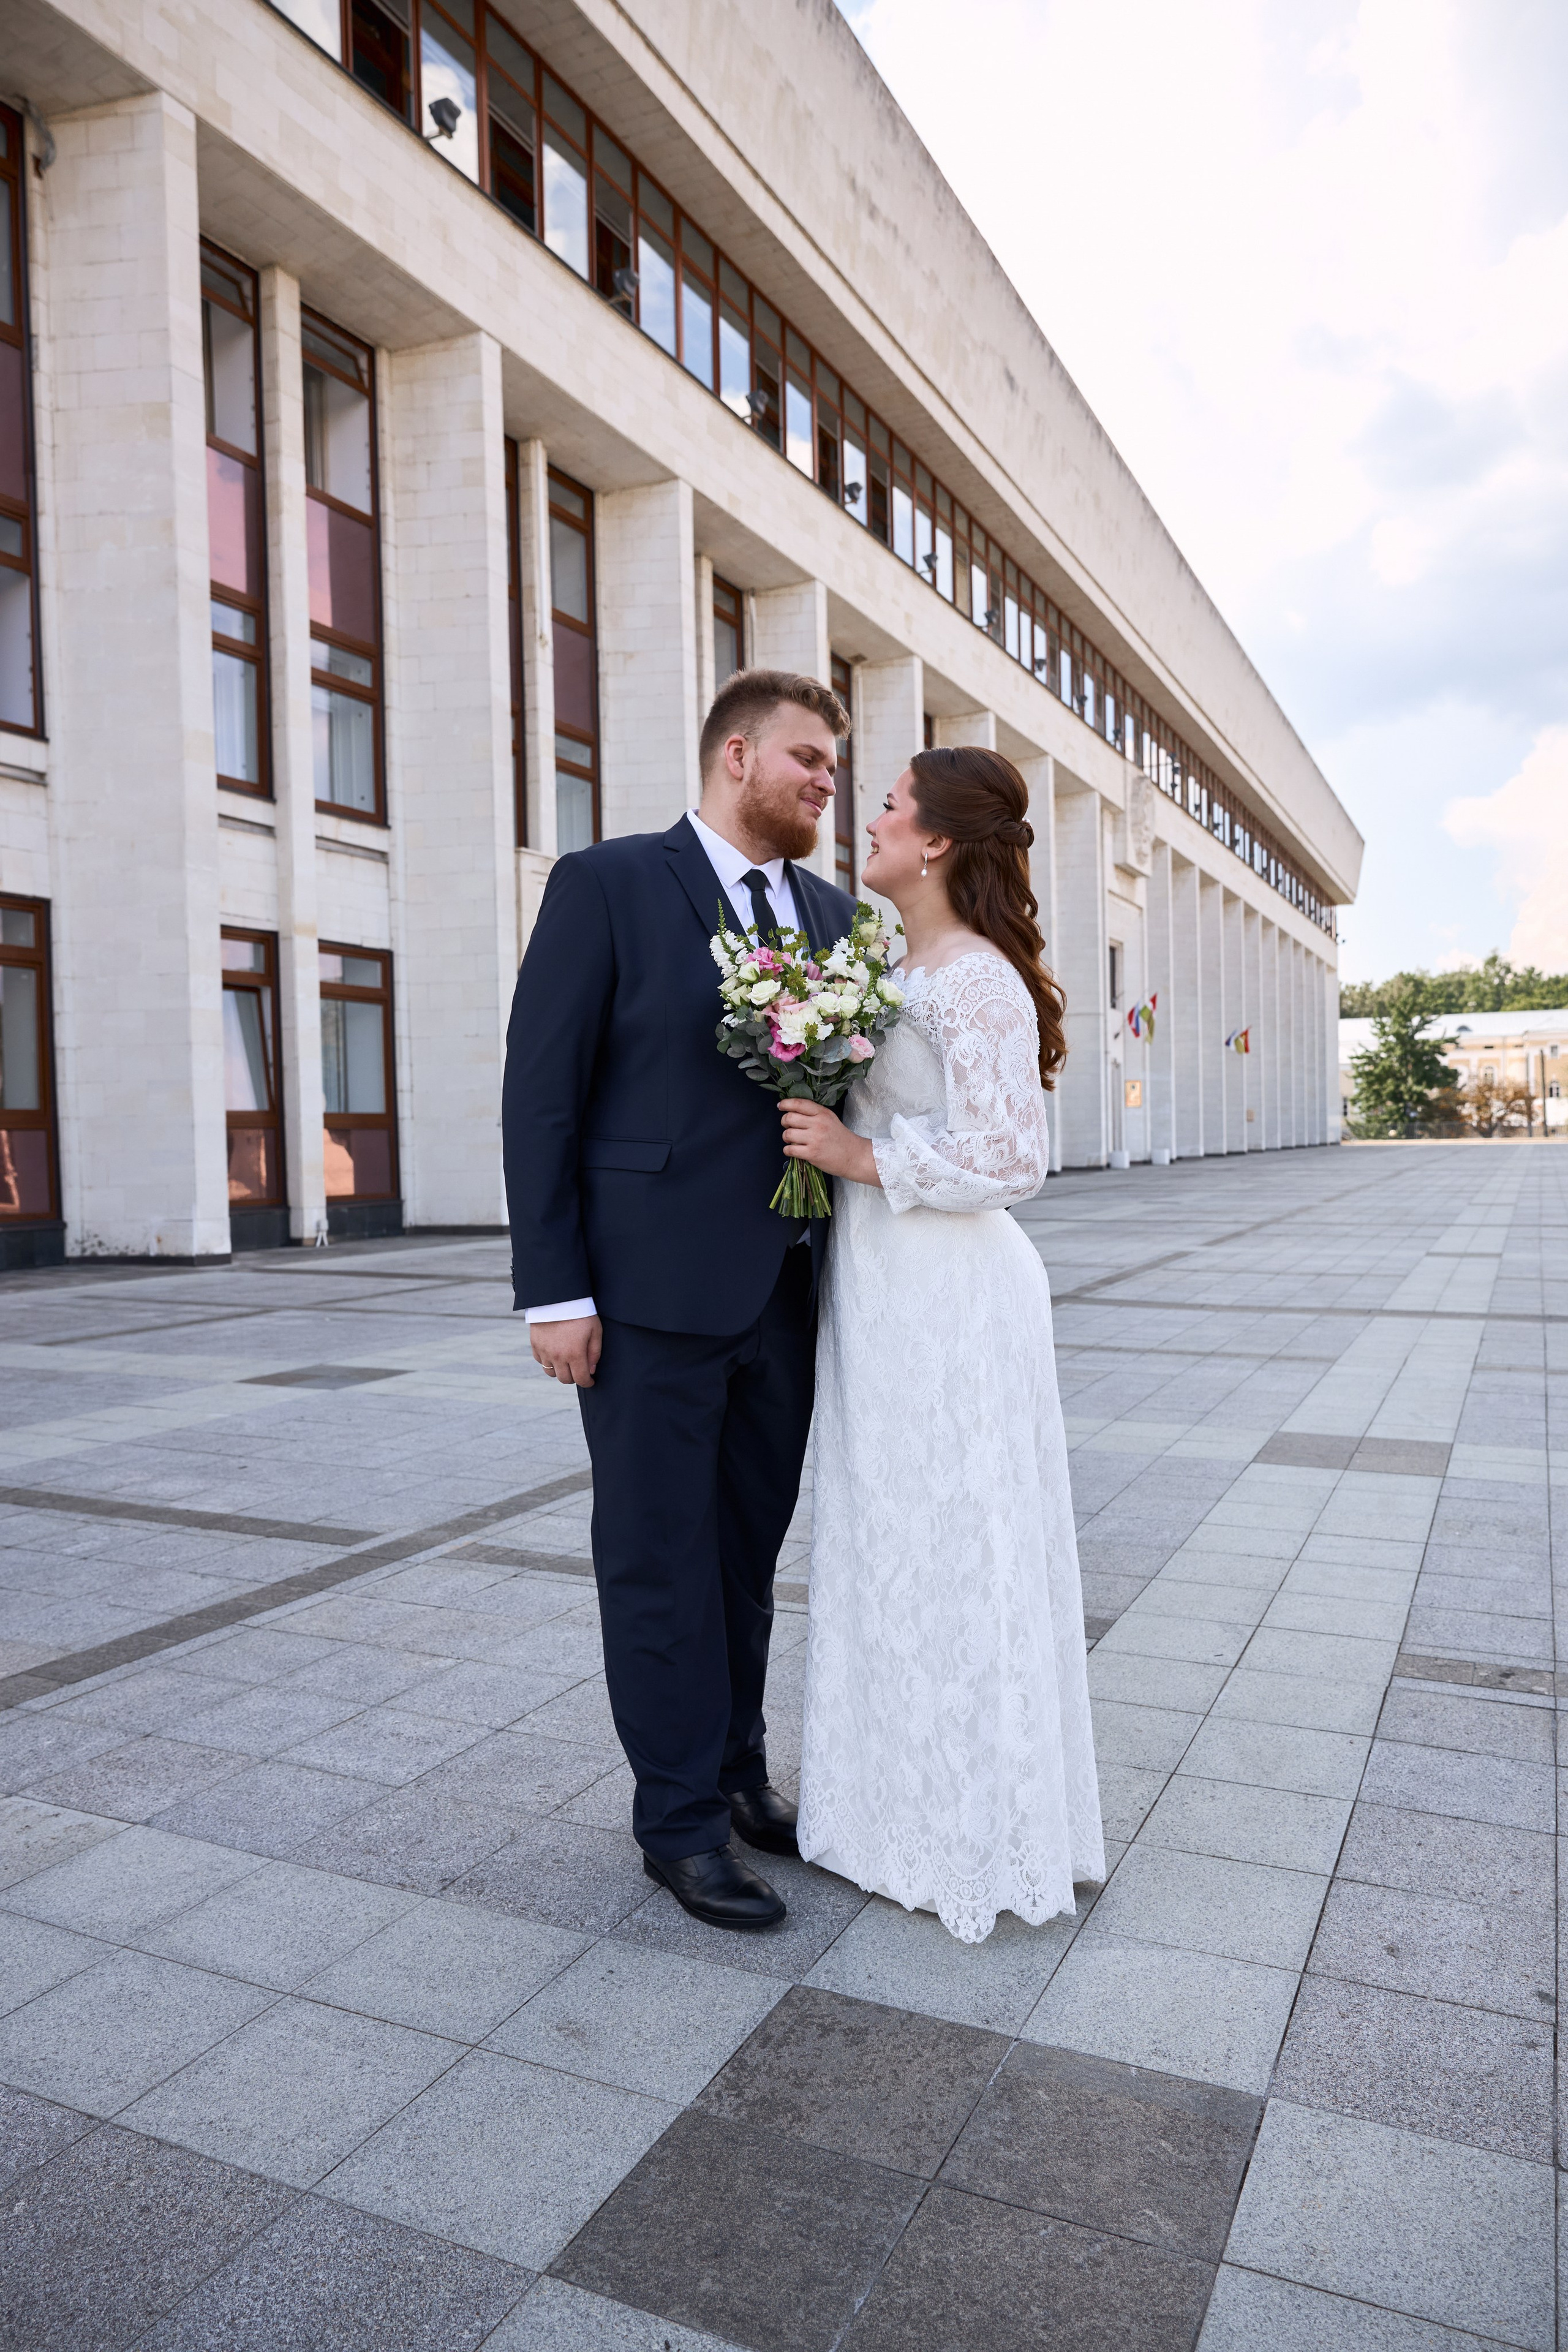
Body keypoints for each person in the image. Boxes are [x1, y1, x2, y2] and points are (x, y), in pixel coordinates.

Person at [502, 669, 857, 1931]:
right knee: (656, 1558)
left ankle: (734, 1769)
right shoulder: (607, 886)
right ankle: (677, 1825)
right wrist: (554, 1290)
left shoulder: (828, 911)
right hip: (645, 1296)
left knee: (746, 1553)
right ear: (736, 757)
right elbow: (539, 1095)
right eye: (808, 760)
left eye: (833, 766)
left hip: (782, 1290)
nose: (826, 782)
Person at [782, 744, 1104, 1943]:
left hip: (952, 1295)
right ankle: (882, 1817)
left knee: (956, 1541)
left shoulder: (974, 979)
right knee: (886, 1536)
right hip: (877, 1284)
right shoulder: (885, 964)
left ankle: (971, 1831)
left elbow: (1014, 1158)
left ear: (936, 844)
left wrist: (859, 1155)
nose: (867, 821)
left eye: (888, 808)